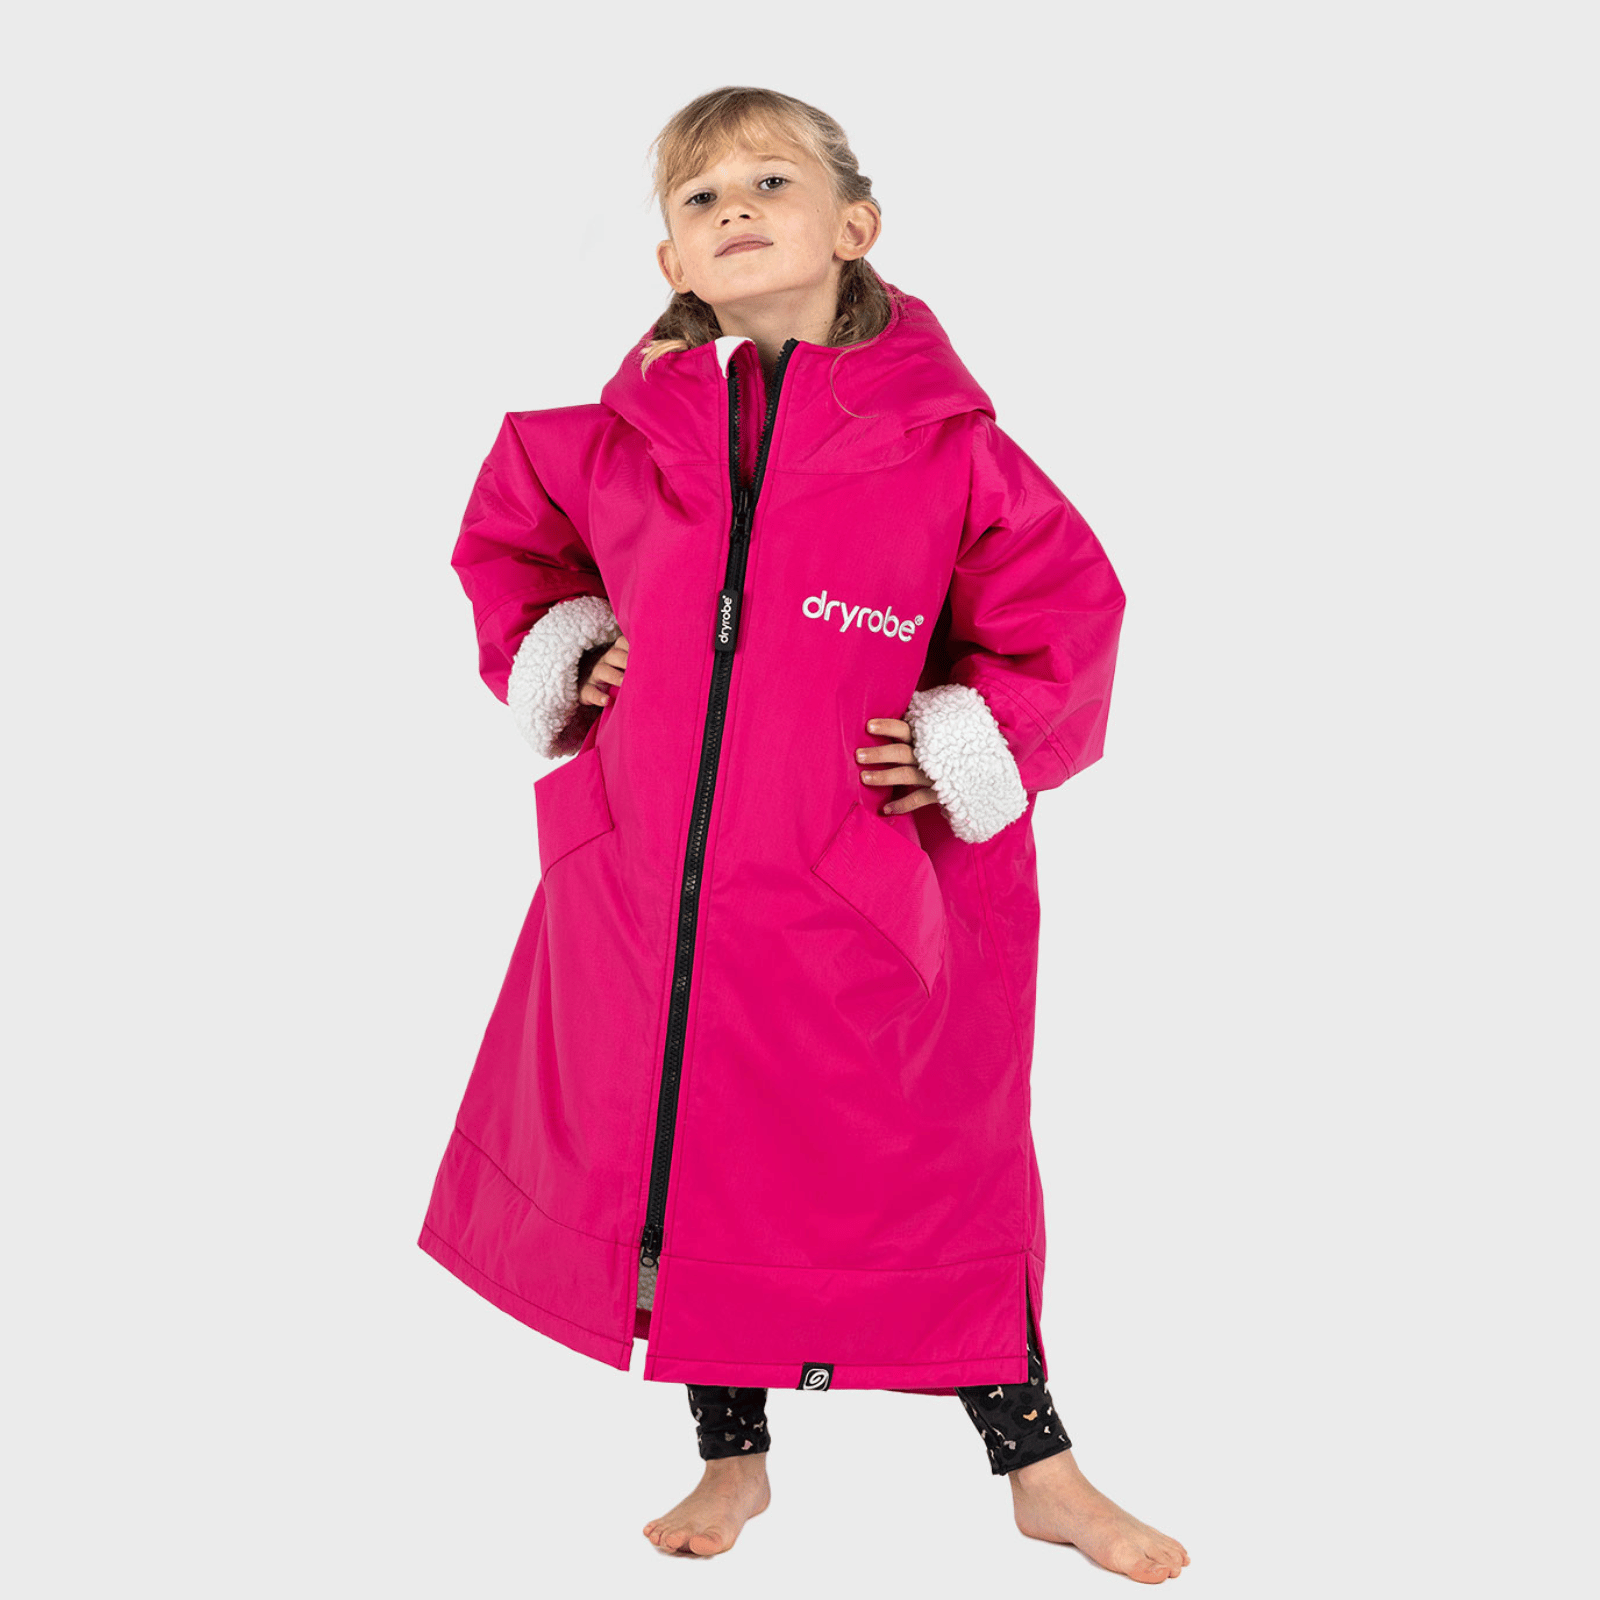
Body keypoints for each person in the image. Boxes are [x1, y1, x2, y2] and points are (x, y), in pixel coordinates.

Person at [419, 86, 1188, 1581]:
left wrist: (972, 737)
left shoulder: (948, 453)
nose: (735, 210)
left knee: (934, 1163)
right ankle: (733, 1455)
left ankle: (1039, 1466)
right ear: (672, 262)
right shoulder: (610, 449)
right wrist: (570, 648)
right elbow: (514, 548)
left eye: (770, 181)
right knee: (681, 1145)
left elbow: (1066, 620)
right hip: (656, 883)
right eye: (700, 198)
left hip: (858, 895)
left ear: (856, 226)